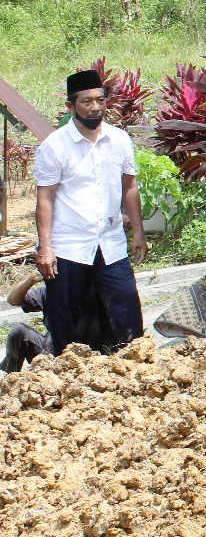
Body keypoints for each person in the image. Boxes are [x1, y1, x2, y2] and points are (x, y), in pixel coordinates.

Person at [34, 70, 147, 355]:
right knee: (65, 317)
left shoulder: (119, 140)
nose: (95, 107)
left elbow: (129, 187)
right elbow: (44, 200)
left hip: (109, 241)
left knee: (127, 305)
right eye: (86, 101)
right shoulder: (54, 146)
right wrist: (46, 248)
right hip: (68, 245)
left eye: (100, 100)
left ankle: (136, 368)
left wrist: (139, 233)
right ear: (71, 106)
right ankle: (66, 375)